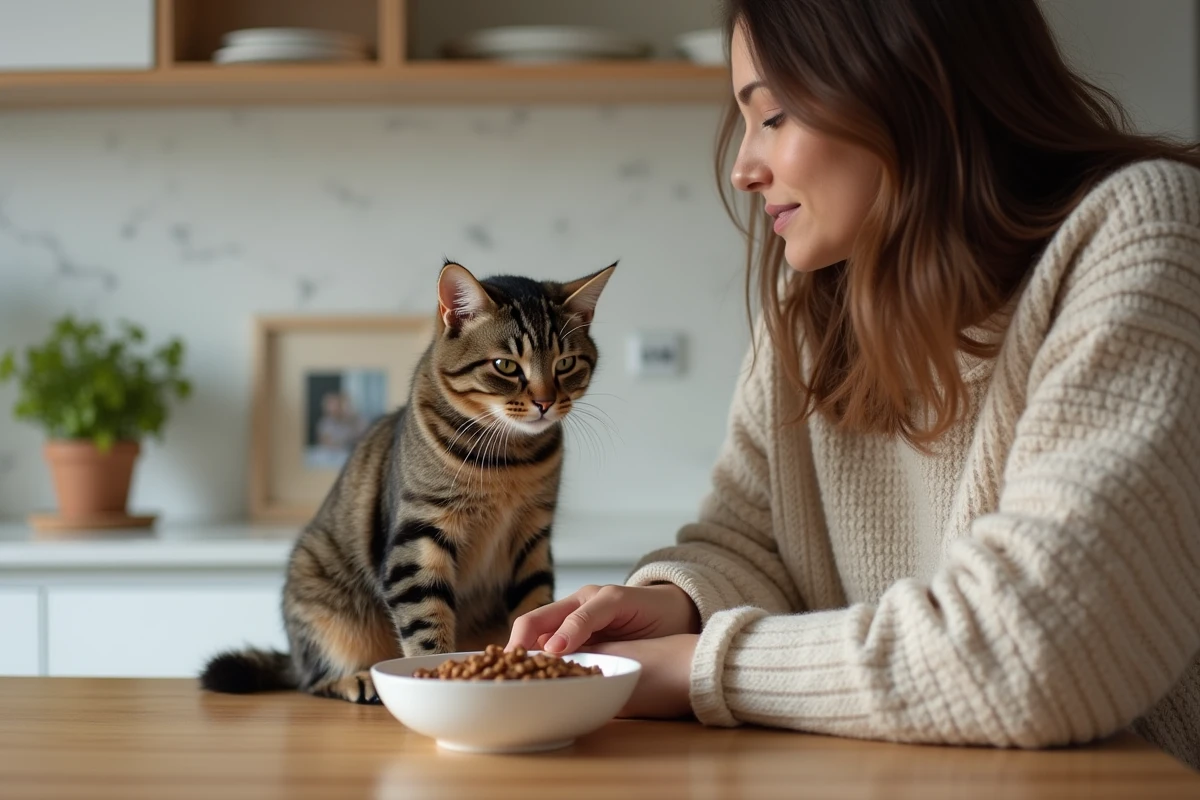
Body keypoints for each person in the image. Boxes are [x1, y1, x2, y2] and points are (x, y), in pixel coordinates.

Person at [508, 0, 1200, 769]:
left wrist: (703, 665)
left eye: (774, 115)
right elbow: (753, 544)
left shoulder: (1141, 230)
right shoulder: (810, 314)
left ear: (906, 83)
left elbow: (1043, 648)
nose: (743, 168)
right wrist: (679, 604)